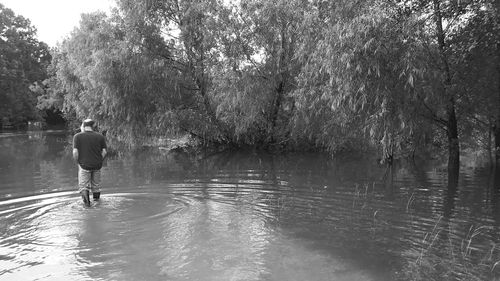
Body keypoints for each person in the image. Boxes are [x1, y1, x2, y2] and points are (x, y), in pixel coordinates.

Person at [73, 118, 107, 206]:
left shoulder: (77, 136)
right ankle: (97, 204)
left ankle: (87, 206)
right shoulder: (100, 136)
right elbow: (104, 152)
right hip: (97, 165)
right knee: (96, 187)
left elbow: (75, 152)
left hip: (84, 165)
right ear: (93, 126)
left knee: (84, 187)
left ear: (83, 126)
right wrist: (99, 161)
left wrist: (78, 162)